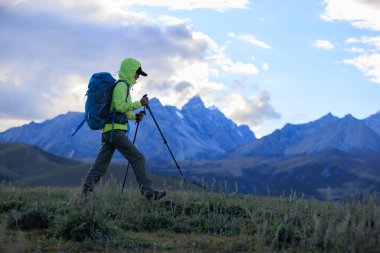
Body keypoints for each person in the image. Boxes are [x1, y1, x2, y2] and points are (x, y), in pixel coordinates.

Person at [81, 58, 166, 201]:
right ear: (130, 71)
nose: (138, 77)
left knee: (99, 167)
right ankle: (149, 194)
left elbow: (120, 111)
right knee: (138, 158)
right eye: (137, 73)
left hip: (109, 132)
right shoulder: (122, 86)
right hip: (115, 132)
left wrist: (134, 117)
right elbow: (120, 106)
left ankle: (83, 196)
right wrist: (140, 103)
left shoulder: (123, 86)